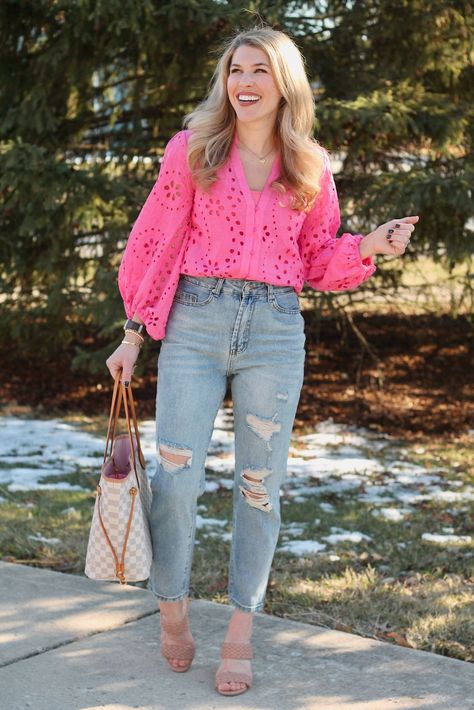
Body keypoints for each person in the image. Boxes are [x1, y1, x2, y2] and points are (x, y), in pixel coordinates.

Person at [106, 25, 418, 697]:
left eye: (259, 71)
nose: (244, 82)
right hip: (195, 321)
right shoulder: (191, 152)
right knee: (178, 478)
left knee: (259, 487)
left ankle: (241, 633)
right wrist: (135, 334)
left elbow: (315, 260)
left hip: (275, 331)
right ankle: (174, 610)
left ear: (284, 85)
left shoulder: (309, 164)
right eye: (235, 70)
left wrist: (369, 247)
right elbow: (156, 243)